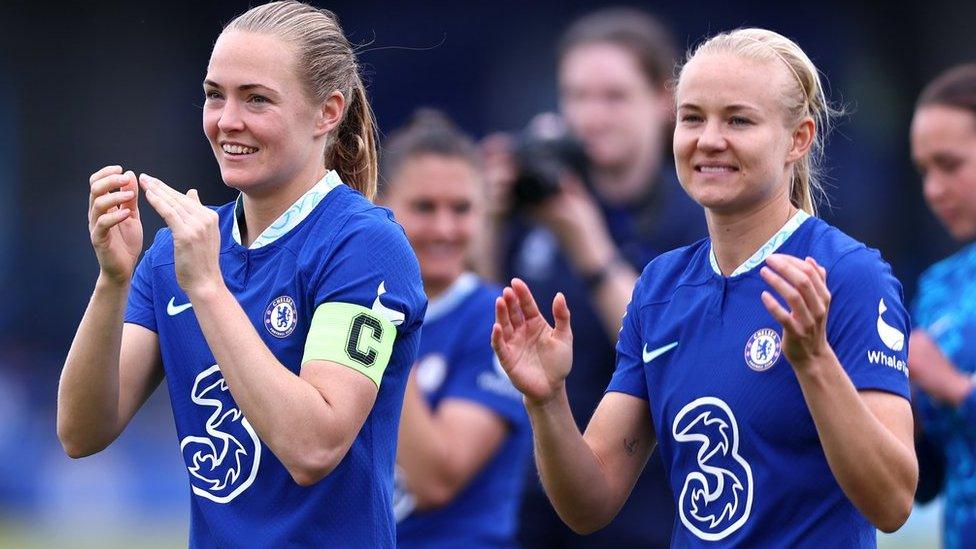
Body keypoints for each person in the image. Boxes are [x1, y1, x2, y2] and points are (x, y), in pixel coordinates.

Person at [491, 28, 918, 547]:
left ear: (799, 138)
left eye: (738, 119)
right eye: (693, 117)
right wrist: (547, 400)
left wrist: (814, 362)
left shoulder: (848, 274)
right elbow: (591, 500)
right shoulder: (661, 286)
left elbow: (893, 502)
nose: (708, 139)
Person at [56, 2, 425, 547]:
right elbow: (81, 432)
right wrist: (112, 280)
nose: (227, 120)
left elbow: (312, 449)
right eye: (214, 94)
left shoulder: (363, 244)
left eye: (257, 98)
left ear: (327, 112)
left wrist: (207, 286)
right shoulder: (174, 254)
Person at [481, 9, 705, 546]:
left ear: (662, 101)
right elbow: (488, 321)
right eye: (576, 96)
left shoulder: (692, 213)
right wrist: (487, 217)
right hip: (532, 495)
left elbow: (675, 351)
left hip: (645, 500)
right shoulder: (542, 196)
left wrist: (590, 248)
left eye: (613, 97)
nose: (591, 116)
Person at [380, 110, 531, 547]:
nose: (444, 228)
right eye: (425, 207)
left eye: (461, 209)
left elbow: (436, 480)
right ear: (377, 205)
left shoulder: (497, 317)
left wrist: (382, 330)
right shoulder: (336, 307)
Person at [909, 63, 976, 549]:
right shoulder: (937, 288)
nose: (932, 190)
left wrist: (953, 387)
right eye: (923, 170)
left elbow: (946, 385)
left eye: (949, 165)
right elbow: (926, 481)